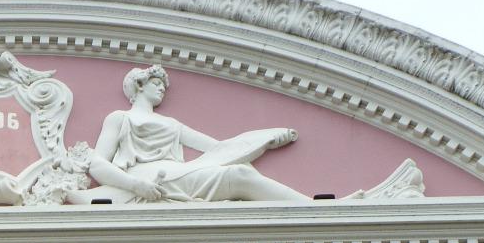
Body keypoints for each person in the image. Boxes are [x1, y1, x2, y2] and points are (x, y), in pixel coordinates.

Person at [70, 65, 308, 205]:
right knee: (239, 174)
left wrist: (262, 143)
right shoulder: (120, 118)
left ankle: (315, 207)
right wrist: (136, 185)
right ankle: (312, 208)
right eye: (156, 82)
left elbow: (218, 148)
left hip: (178, 174)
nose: (162, 87)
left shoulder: (171, 124)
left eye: (163, 84)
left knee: (241, 170)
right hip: (151, 177)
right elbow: (98, 165)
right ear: (139, 86)